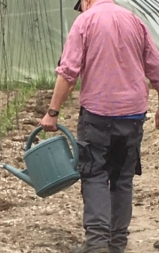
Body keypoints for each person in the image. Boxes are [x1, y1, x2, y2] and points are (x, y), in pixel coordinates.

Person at [39, 0, 159, 252]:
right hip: (133, 116)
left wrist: (52, 113)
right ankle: (116, 244)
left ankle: (96, 244)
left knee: (94, 175)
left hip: (98, 115)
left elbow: (68, 73)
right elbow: (156, 69)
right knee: (122, 179)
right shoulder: (134, 21)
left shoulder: (85, 21)